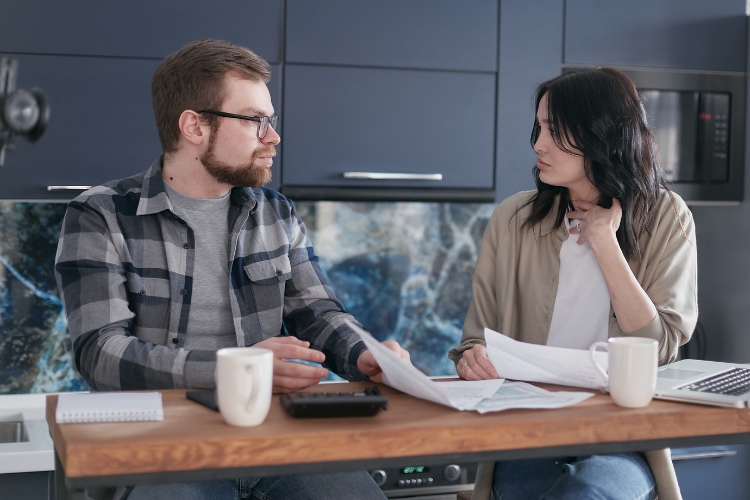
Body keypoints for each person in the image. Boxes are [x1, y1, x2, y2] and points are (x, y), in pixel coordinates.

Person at [54, 39, 409, 500]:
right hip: (163, 449)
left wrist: (365, 355)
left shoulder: (275, 213)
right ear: (194, 126)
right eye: (256, 121)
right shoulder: (99, 215)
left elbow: (319, 314)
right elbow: (100, 355)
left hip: (275, 441)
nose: (273, 137)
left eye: (272, 121)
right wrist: (237, 368)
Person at [448, 67, 696, 500]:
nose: (537, 144)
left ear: (603, 137)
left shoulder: (666, 217)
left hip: (623, 437)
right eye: (539, 127)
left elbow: (659, 347)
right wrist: (473, 358)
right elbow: (475, 340)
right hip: (527, 433)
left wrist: (605, 244)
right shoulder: (513, 219)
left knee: (590, 492)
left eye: (555, 131)